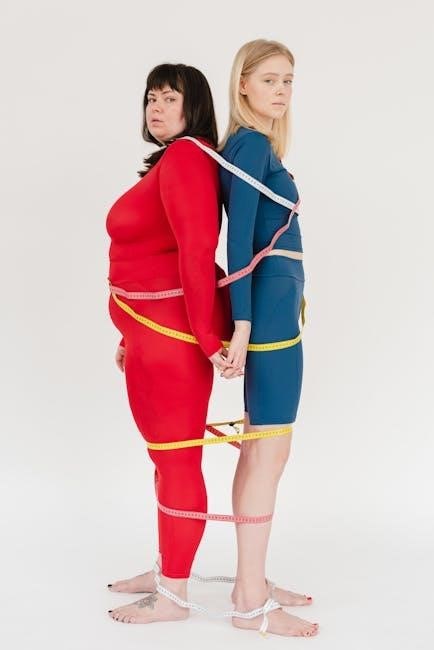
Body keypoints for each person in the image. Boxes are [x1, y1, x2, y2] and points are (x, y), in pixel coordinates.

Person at [105, 63, 233, 625]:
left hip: (171, 339)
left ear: (193, 107)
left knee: (177, 460)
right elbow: (151, 255)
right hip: (150, 334)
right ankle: (166, 569)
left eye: (169, 98)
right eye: (151, 97)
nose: (156, 107)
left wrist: (206, 339)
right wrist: (128, 331)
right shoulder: (170, 162)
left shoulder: (186, 157)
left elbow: (197, 250)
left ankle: (174, 596)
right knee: (165, 458)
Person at [216, 39, 319, 637]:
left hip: (275, 306)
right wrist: (244, 322)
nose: (281, 90)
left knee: (260, 447)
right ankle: (250, 599)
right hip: (271, 313)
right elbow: (240, 239)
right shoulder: (252, 144)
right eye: (270, 79)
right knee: (270, 450)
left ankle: (247, 580)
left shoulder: (251, 144)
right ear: (243, 85)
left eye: (288, 80)